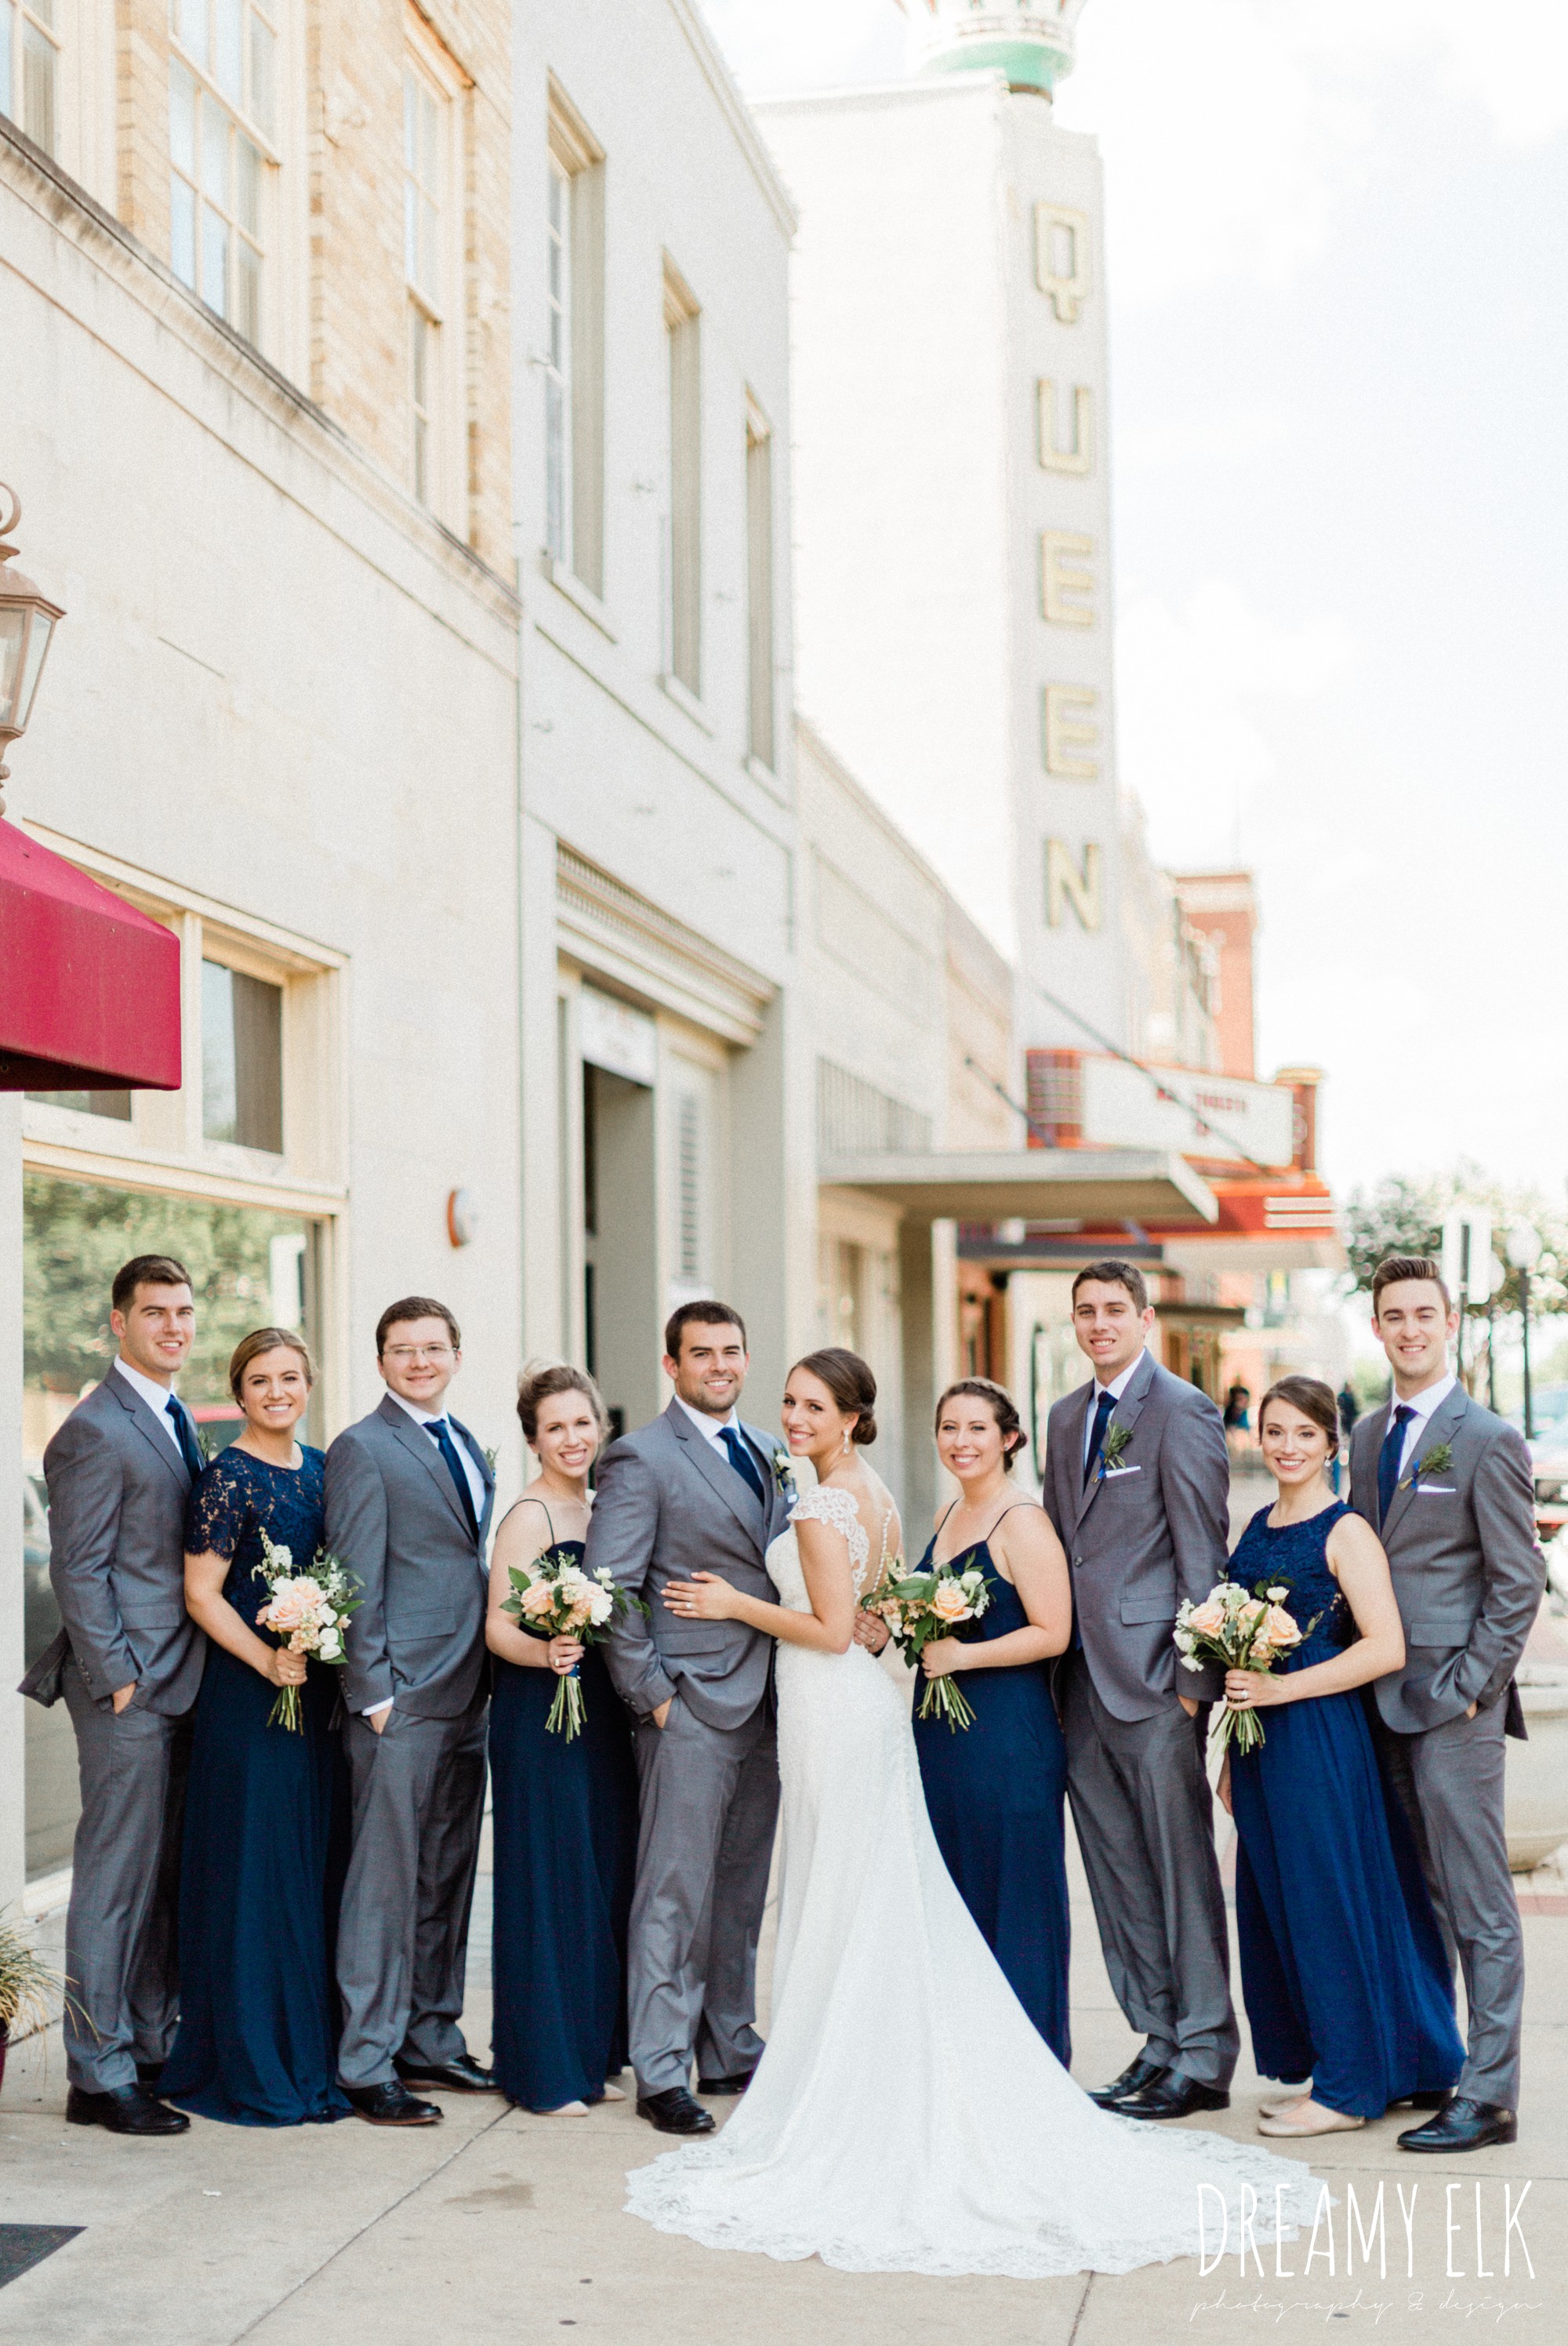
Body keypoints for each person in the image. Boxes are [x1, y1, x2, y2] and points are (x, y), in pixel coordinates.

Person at [625, 1347, 1316, 2279]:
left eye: (811, 1404)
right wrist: (897, 1626)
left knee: (859, 1890)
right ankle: (876, 2068)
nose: (792, 1416)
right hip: (875, 1711)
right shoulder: (908, 1501)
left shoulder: (852, 1502)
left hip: (876, 1708)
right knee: (877, 1892)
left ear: (853, 1416)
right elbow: (874, 1610)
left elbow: (849, 1625)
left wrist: (736, 1603)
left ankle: (884, 2081)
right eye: (787, 1401)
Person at [1219, 1375, 1464, 2137]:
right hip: (1260, 1742)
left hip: (1318, 1737)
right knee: (1281, 1904)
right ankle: (1344, 2063)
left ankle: (1348, 2089)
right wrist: (1230, 1752)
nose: (1286, 1446)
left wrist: (1279, 1689)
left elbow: (1383, 1647)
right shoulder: (1255, 1521)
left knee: (1326, 1903)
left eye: (1302, 1433)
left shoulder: (1344, 1529)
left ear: (1331, 1442)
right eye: (1273, 1431)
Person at [1348, 1255, 1544, 2153]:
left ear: (1448, 1321)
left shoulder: (1486, 1437)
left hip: (1452, 1710)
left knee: (1476, 1902)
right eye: (1392, 1315)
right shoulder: (1361, 1435)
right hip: (1375, 1699)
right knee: (1413, 1895)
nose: (1408, 1329)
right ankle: (1437, 2061)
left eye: (1422, 1313)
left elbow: (1515, 1583)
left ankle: (1490, 2093)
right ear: (1377, 1325)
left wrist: (1469, 1688)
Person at [586, 1302, 795, 2138]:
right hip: (690, 1702)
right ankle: (663, 2065)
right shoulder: (640, 1457)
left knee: (742, 1887)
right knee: (673, 1888)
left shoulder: (771, 1453)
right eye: (701, 1353)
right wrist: (654, 1694)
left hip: (772, 1698)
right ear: (670, 1365)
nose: (720, 1365)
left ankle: (728, 2042)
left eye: (732, 1350)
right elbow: (611, 1588)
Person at [1040, 1258, 1237, 2121]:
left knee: (1178, 1869)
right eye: (1084, 1312)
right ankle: (1155, 2039)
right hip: (1077, 1681)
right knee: (1115, 1873)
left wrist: (1193, 1687)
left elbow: (1201, 1550)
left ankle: (1202, 2052)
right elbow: (1060, 1546)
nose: (1097, 1324)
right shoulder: (1061, 1417)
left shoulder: (1182, 1411)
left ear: (1145, 1318)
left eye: (1112, 1310)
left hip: (1156, 1680)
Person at [20, 1255, 205, 2137]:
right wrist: (122, 1677)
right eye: (154, 1312)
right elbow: (78, 1568)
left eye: (182, 1311)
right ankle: (97, 2073)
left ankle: (144, 2045)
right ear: (117, 1322)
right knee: (113, 1880)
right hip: (129, 1689)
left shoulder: (172, 1418)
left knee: (160, 1878)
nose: (173, 1326)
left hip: (184, 1680)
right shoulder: (93, 1427)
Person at [161, 1329, 350, 2126]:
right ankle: (244, 2054)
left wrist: (313, 1642)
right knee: (251, 1872)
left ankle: (304, 2048)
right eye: (261, 1380)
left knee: (302, 1869)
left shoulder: (321, 1470)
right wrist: (266, 1659)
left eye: (290, 1377)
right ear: (239, 1393)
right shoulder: (226, 1477)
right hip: (247, 1701)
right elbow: (201, 1592)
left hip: (310, 1697)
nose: (278, 1391)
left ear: (308, 1384)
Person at [856, 1376, 1073, 2061]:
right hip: (942, 1735)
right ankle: (970, 2054)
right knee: (956, 1888)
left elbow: (1054, 1632)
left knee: (1015, 1893)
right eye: (950, 1427)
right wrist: (888, 1628)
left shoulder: (1023, 1520)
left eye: (977, 1428)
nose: (961, 1441)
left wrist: (964, 1655)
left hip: (1006, 1736)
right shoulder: (951, 1515)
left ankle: (1027, 2057)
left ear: (1009, 1438)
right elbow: (927, 1618)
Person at [325, 1296, 498, 2126]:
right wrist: (376, 1694)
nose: (419, 1361)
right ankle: (367, 2058)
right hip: (402, 1699)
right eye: (403, 1349)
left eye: (433, 1347)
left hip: (470, 1692)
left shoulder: (463, 1440)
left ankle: (432, 2036)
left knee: (448, 1875)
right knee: (385, 1886)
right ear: (382, 1358)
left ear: (456, 1353)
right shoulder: (363, 1447)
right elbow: (352, 1576)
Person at [486, 1363, 638, 2115]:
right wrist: (544, 1652)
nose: (572, 1439)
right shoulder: (529, 1515)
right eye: (555, 1429)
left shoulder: (603, 1506)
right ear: (532, 1439)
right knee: (550, 1882)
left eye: (582, 1424)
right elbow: (497, 1627)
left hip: (601, 1716)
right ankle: (546, 2068)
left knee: (601, 1878)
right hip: (541, 1713)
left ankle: (594, 2047)